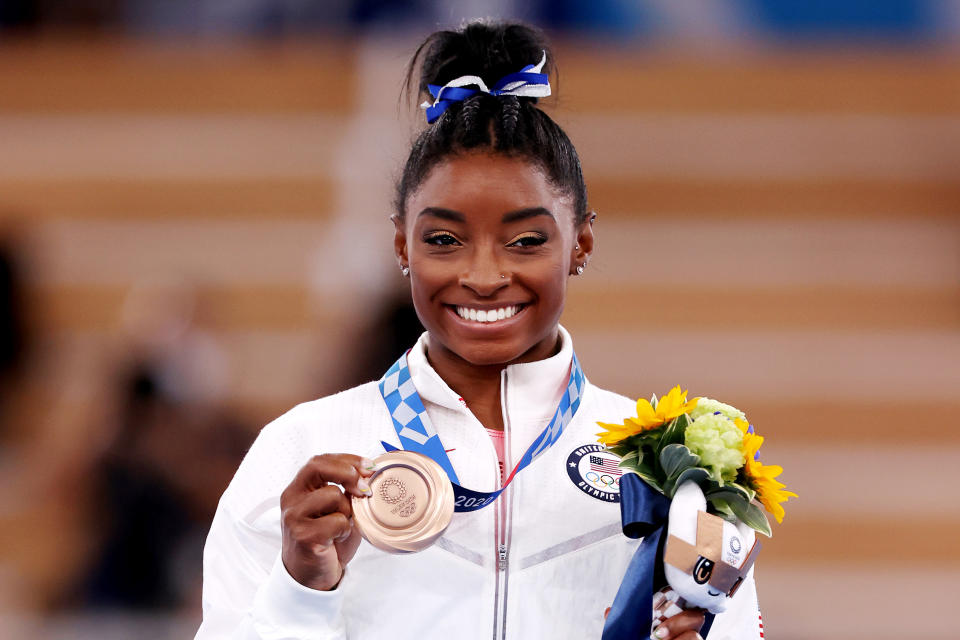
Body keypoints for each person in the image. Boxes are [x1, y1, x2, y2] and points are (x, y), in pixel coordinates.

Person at [196, 21, 762, 640]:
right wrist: (301, 594)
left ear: (581, 242)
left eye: (526, 241)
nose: (485, 275)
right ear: (401, 245)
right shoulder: (302, 449)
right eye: (444, 240)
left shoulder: (667, 474)